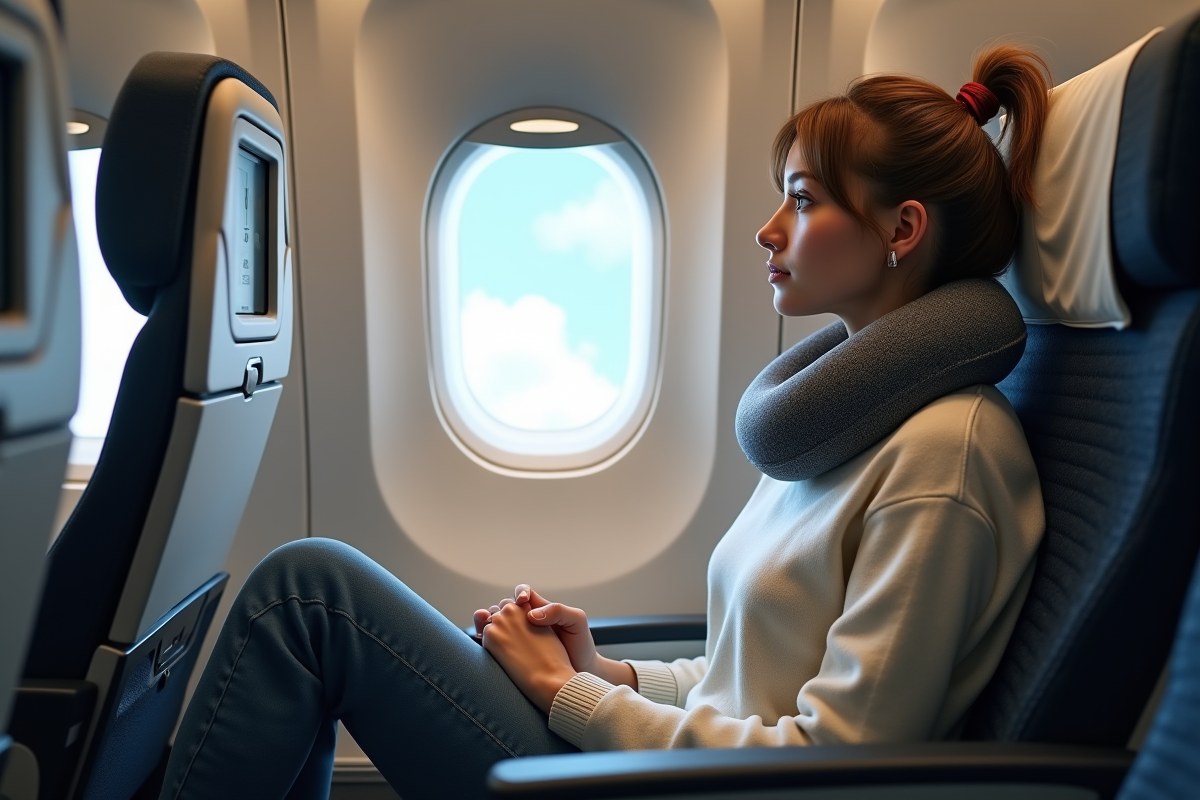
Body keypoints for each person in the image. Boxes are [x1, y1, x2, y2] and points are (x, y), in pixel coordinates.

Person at [160, 46, 1049, 800]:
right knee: (311, 595)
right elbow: (751, 681)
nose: (767, 231)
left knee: (309, 597)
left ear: (903, 227)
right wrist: (608, 674)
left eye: (805, 200)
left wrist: (565, 698)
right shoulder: (851, 422)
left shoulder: (944, 458)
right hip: (662, 764)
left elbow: (835, 762)